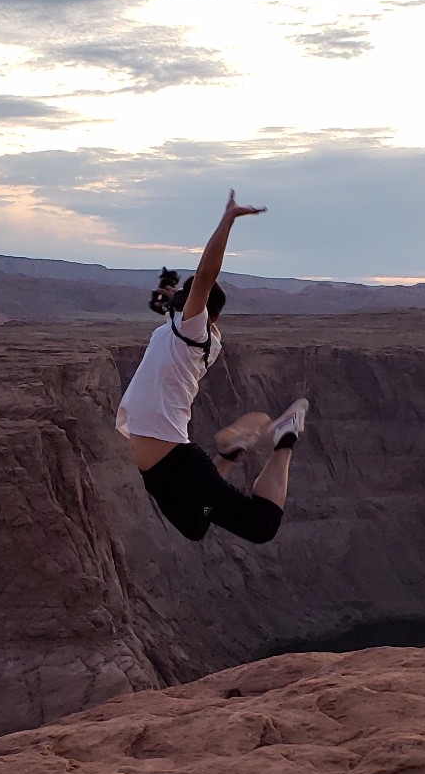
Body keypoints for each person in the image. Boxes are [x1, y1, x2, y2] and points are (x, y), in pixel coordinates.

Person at [116, 190, 308, 544]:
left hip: (177, 463)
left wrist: (228, 219)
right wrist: (171, 290)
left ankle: (285, 437)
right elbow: (180, 296)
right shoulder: (180, 327)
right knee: (195, 526)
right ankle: (229, 452)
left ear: (203, 312)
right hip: (159, 467)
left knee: (261, 527)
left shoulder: (191, 332)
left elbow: (205, 275)